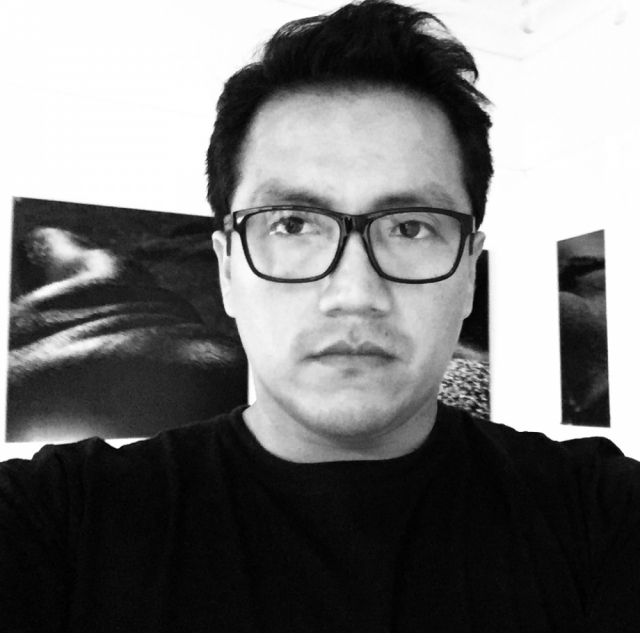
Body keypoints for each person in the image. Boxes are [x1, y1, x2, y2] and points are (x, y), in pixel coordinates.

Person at [1, 1, 638, 631]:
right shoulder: (57, 525)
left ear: (469, 272)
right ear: (228, 270)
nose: (355, 292)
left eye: (410, 227)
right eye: (293, 224)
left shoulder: (603, 518)